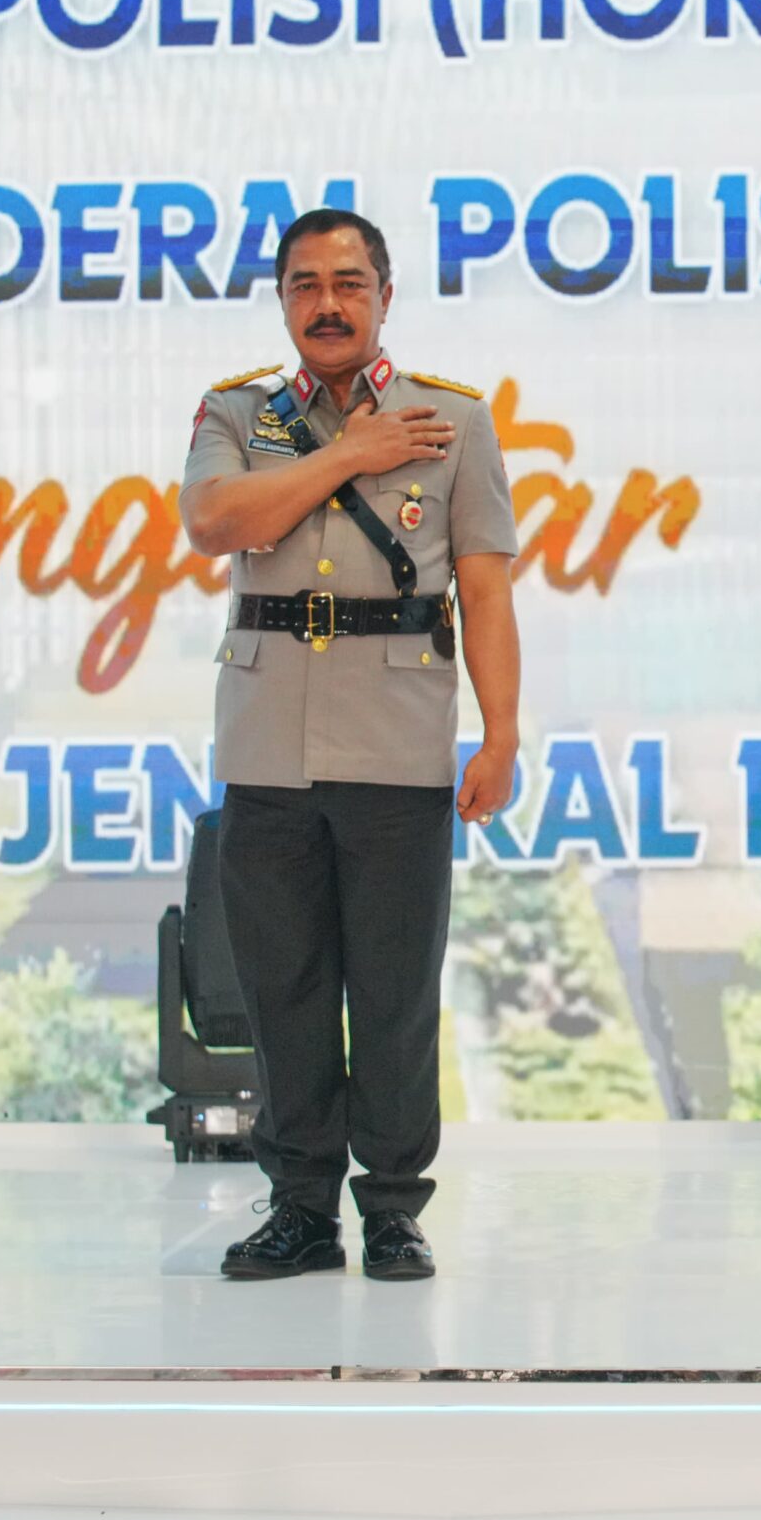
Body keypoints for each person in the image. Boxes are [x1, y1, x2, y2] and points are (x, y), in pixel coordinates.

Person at [178, 208, 521, 1281]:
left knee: (391, 993)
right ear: (282, 299)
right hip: (267, 747)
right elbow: (216, 521)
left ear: (384, 294)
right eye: (305, 284)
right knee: (281, 990)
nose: (328, 303)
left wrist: (500, 733)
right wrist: (354, 456)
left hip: (397, 744)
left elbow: (484, 586)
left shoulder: (454, 420)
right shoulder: (238, 411)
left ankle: (393, 1207)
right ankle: (299, 1207)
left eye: (349, 282)